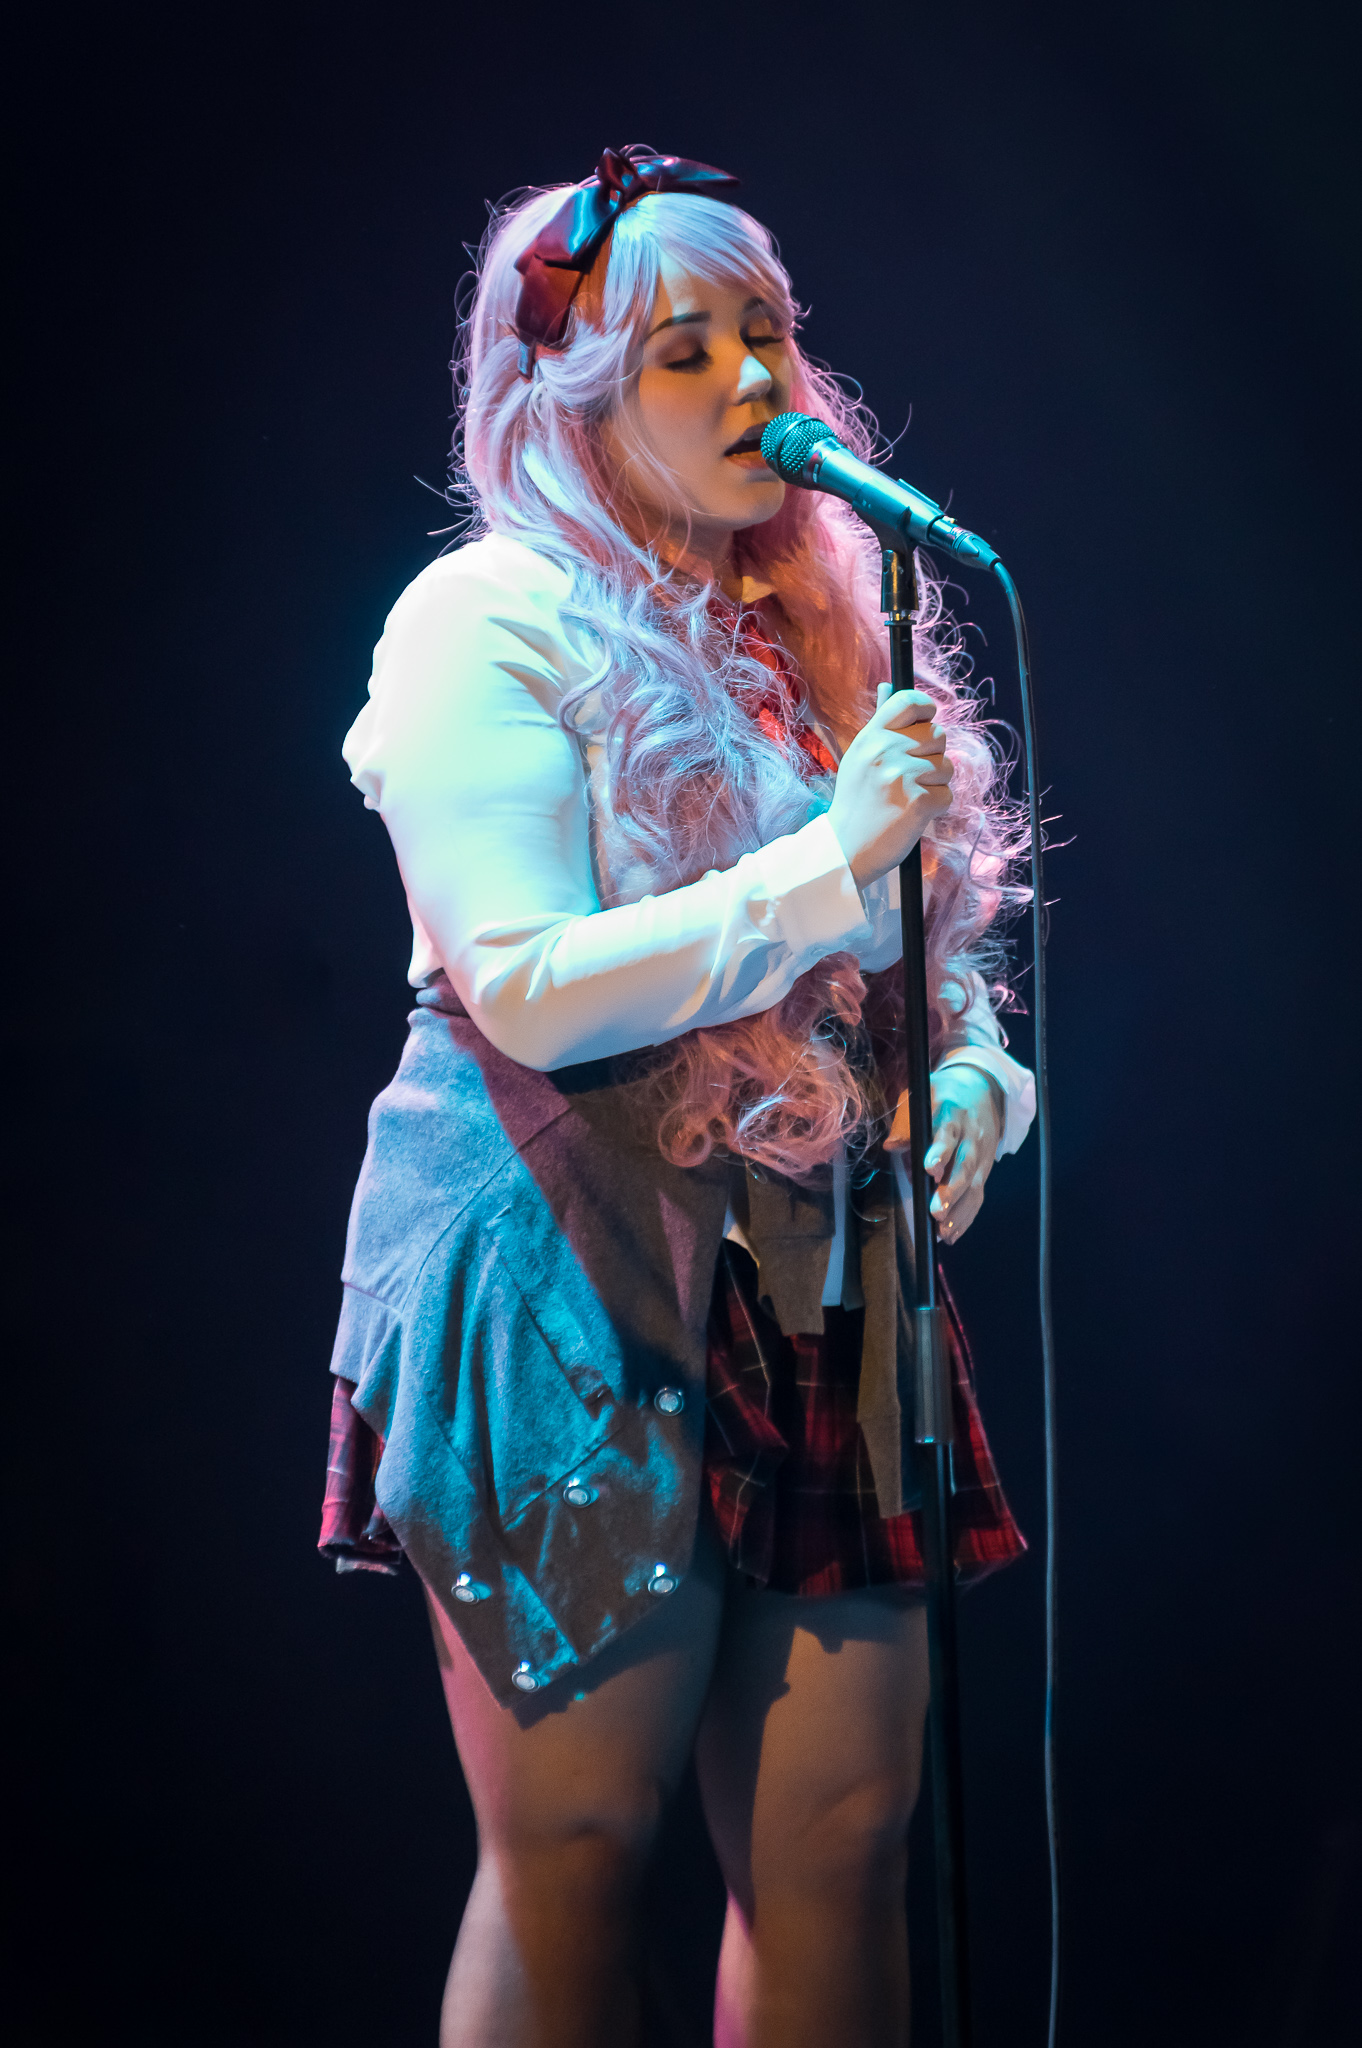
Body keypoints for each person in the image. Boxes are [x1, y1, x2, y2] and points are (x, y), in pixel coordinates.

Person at [320, 147, 1035, 2048]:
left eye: (766, 333)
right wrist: (822, 863)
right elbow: (528, 985)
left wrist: (974, 1067)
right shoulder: (487, 615)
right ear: (565, 395)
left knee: (845, 1839)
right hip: (567, 1248)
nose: (751, 383)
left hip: (817, 1262)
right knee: (578, 1842)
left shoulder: (808, 619)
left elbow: (894, 948)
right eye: (682, 350)